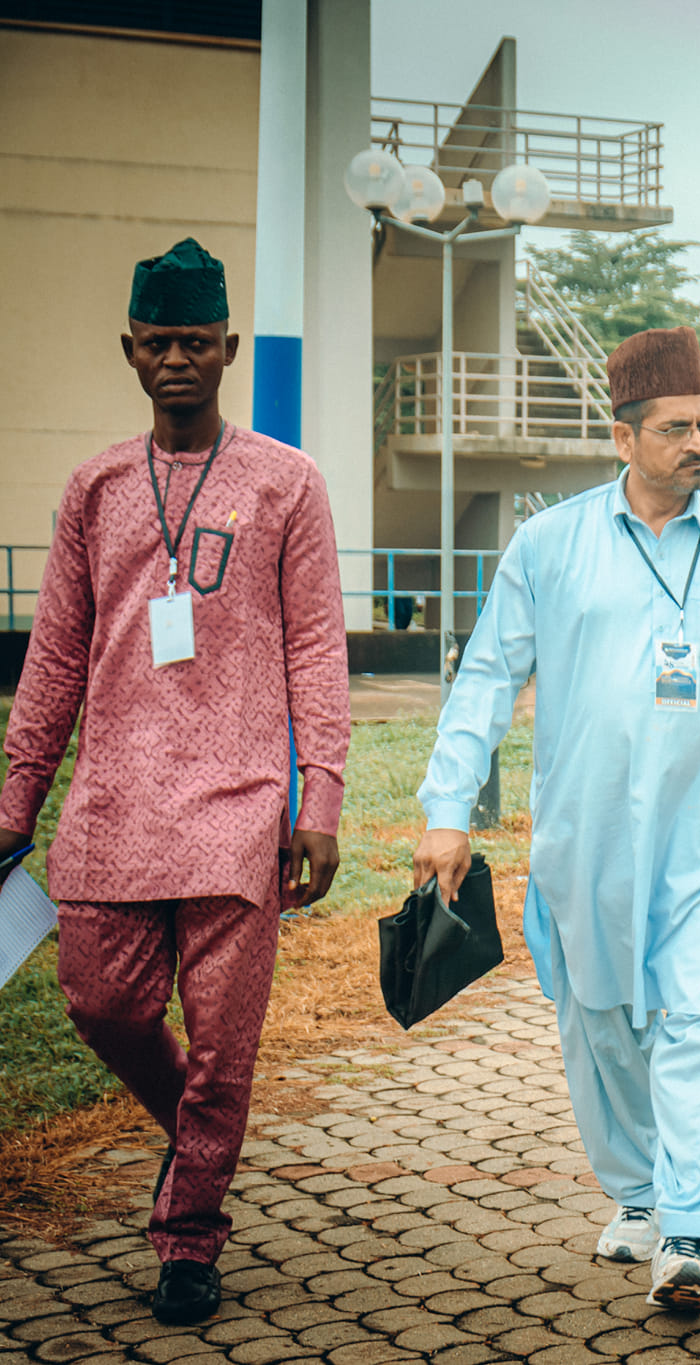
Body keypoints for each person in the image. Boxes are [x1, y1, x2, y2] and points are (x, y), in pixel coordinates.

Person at [412, 325, 700, 1315]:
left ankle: (692, 1232)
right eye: (675, 429)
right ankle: (640, 1192)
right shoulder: (550, 546)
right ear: (623, 438)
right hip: (592, 839)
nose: (699, 445)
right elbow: (487, 679)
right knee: (603, 1024)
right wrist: (447, 809)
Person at [0, 238, 350, 1326]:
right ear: (131, 350)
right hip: (111, 807)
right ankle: (195, 1139)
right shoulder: (95, 489)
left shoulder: (287, 483)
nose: (179, 360)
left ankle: (189, 1233)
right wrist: (17, 804)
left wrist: (320, 797)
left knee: (227, 1047)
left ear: (230, 348)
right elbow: (53, 658)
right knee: (98, 1003)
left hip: (241, 810)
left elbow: (316, 651)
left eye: (198, 341)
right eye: (159, 342)